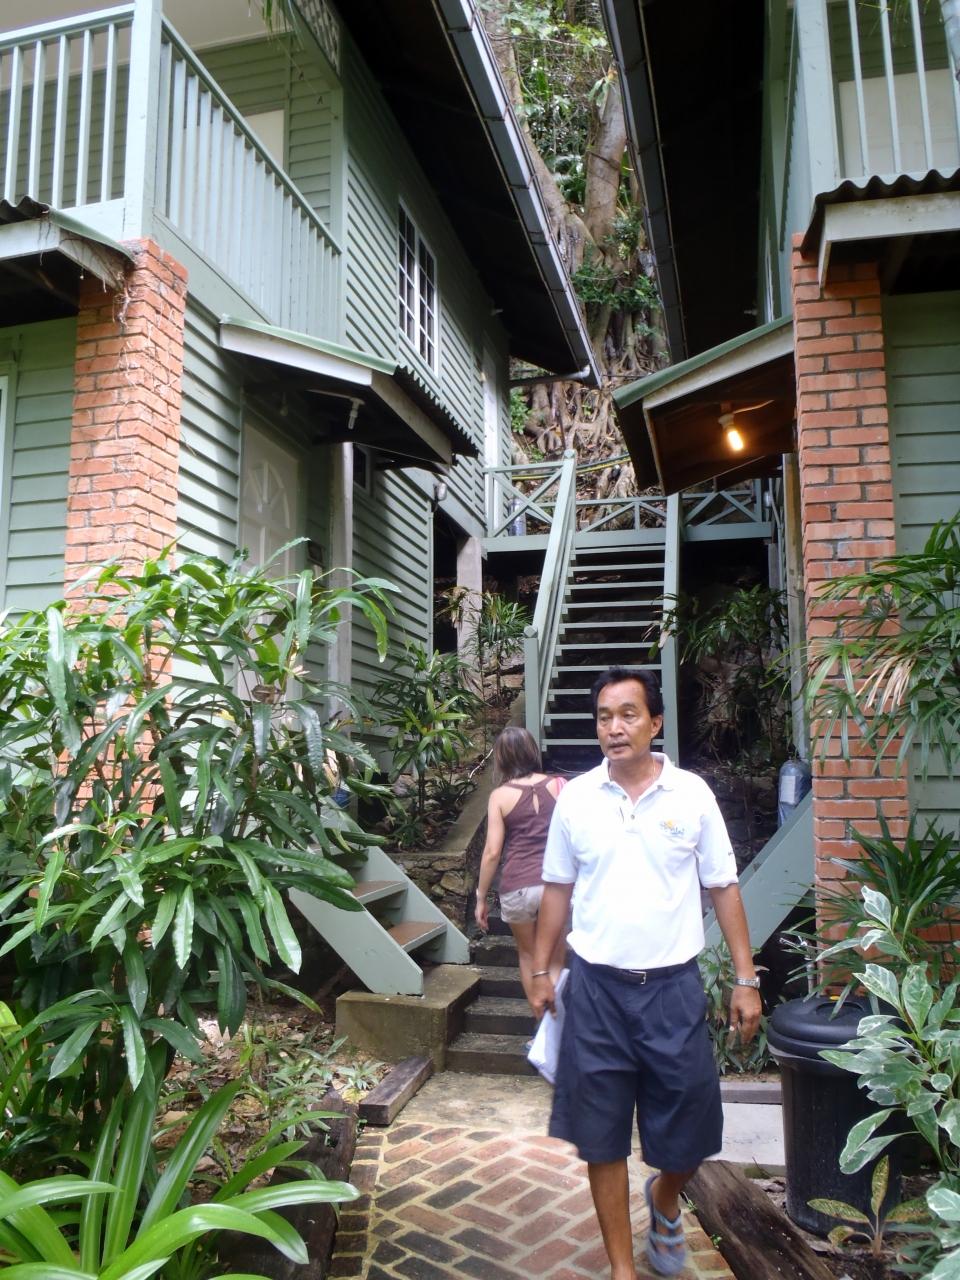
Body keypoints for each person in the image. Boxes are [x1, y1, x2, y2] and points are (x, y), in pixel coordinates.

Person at [530, 666, 761, 1280]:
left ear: (655, 722)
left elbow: (723, 886)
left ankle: (664, 1195)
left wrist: (746, 979)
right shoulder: (577, 798)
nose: (615, 727)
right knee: (600, 1135)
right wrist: (541, 969)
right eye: (604, 717)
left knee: (691, 1129)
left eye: (628, 714)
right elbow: (556, 888)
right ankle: (622, 1269)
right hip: (595, 992)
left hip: (671, 990)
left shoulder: (692, 795)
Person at [474, 727, 567, 1008]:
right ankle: (554, 1026)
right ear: (531, 751)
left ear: (501, 758)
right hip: (555, 885)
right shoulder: (560, 785)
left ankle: (540, 1022)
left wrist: (481, 897)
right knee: (555, 956)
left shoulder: (499, 796)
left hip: (517, 886)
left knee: (528, 956)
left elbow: (492, 851)